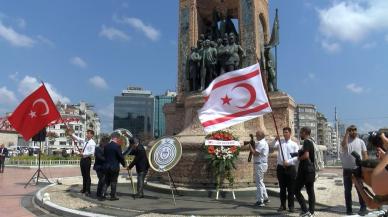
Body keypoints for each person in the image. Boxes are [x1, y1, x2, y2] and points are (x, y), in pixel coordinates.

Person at [341, 125, 368, 216]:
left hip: (357, 169)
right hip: (347, 170)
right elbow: (343, 145)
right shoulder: (346, 141)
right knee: (347, 191)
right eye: (351, 130)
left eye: (355, 130)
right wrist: (346, 133)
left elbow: (365, 155)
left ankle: (363, 207)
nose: (353, 132)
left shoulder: (361, 142)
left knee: (360, 189)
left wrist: (365, 168)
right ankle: (349, 210)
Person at [274, 127, 299, 212]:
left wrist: (288, 161)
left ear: (290, 133)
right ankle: (282, 205)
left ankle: (291, 206)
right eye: (284, 132)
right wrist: (275, 139)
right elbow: (273, 146)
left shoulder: (294, 144)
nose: (285, 134)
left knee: (291, 188)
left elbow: (297, 157)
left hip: (290, 168)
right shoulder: (280, 142)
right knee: (282, 188)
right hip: (281, 167)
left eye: (286, 132)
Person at [295, 127, 316, 217]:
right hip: (311, 171)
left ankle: (305, 210)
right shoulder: (312, 142)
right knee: (310, 191)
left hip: (305, 171)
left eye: (301, 132)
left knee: (295, 190)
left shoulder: (307, 141)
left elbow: (306, 156)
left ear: (305, 133)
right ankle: (311, 212)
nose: (300, 134)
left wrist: (299, 157)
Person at [70, 129, 96, 196]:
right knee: (83, 175)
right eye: (87, 133)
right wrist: (72, 134)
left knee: (87, 175)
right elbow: (78, 139)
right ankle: (84, 189)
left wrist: (83, 154)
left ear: (92, 135)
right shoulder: (85, 141)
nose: (87, 134)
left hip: (87, 159)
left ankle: (88, 190)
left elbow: (92, 152)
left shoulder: (92, 143)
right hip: (83, 159)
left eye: (88, 133)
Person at [248, 130, 269, 207]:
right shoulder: (263, 142)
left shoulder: (261, 143)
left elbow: (255, 153)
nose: (256, 136)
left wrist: (250, 147)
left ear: (260, 136)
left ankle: (260, 200)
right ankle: (265, 197)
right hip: (262, 164)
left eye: (257, 135)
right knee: (261, 181)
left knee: (259, 183)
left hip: (260, 164)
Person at [103, 132, 126, 200]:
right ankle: (113, 196)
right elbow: (120, 157)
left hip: (106, 166)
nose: (119, 140)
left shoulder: (106, 146)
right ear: (116, 138)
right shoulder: (117, 146)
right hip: (114, 167)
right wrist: (124, 164)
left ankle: (103, 193)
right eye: (118, 138)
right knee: (113, 181)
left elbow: (105, 156)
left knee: (106, 180)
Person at [93, 134, 110, 200]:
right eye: (106, 142)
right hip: (99, 167)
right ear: (103, 142)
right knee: (102, 179)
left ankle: (99, 192)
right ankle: (100, 193)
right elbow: (99, 157)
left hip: (105, 167)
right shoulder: (97, 148)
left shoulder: (106, 148)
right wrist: (108, 159)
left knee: (102, 180)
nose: (107, 143)